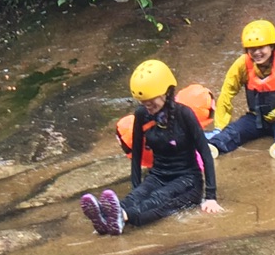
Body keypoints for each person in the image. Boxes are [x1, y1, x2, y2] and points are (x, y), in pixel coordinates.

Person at [81, 61, 222, 235]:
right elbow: (137, 155)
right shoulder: (142, 115)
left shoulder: (184, 114)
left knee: (159, 199)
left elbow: (205, 152)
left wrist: (211, 196)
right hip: (158, 175)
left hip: (187, 180)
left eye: (151, 101)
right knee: (136, 197)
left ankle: (122, 216)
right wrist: (136, 188)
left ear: (166, 92)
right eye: (143, 101)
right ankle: (105, 216)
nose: (147, 105)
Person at [209, 20, 275, 159]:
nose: (257, 53)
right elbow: (226, 93)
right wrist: (219, 127)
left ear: (271, 46)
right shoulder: (242, 63)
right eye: (252, 49)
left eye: (261, 47)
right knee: (233, 131)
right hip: (255, 118)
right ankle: (214, 146)